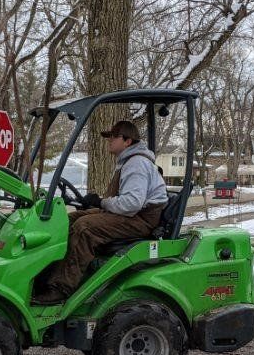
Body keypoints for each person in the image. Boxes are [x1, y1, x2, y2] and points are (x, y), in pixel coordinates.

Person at [33, 120, 168, 304]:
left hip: (141, 219)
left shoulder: (136, 164)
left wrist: (102, 202)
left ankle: (61, 288)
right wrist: (92, 204)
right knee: (68, 219)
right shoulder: (127, 161)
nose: (109, 140)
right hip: (131, 215)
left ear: (127, 141)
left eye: (114, 136)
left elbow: (131, 204)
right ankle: (46, 276)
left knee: (84, 228)